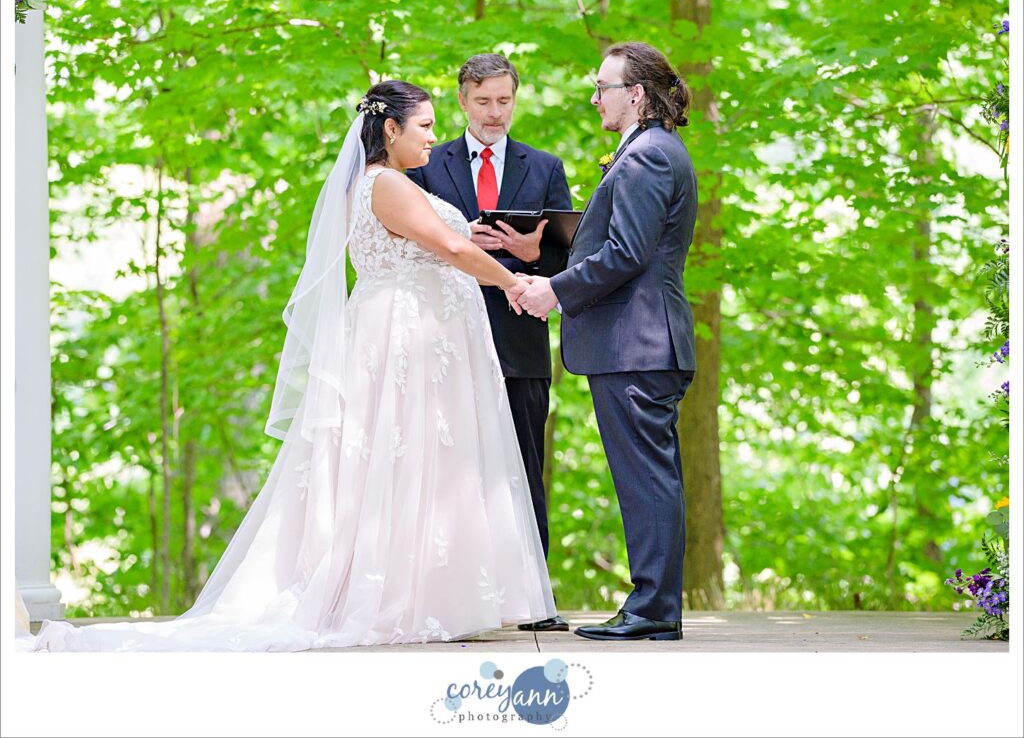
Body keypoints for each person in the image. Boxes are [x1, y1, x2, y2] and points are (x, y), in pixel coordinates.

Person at [31, 80, 556, 652]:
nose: (433, 137)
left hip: (413, 332)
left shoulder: (377, 185)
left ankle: (421, 588)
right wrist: (514, 283)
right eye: (424, 126)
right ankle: (394, 593)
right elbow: (450, 251)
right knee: (407, 451)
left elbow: (439, 242)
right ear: (390, 130)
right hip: (408, 335)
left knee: (410, 457)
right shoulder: (388, 185)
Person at [516, 42, 697, 642]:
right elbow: (617, 243)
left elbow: (627, 253)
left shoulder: (646, 156)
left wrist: (554, 292)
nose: (595, 98)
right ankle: (653, 605)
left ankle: (652, 609)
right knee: (647, 475)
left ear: (636, 95)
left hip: (637, 343)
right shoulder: (651, 152)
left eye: (604, 87)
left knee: (646, 477)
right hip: (639, 342)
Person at [406, 53, 571, 633]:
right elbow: (406, 238)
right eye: (484, 102)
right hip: (445, 334)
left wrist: (533, 255)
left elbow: (568, 256)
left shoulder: (545, 167)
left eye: (504, 100)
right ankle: (449, 598)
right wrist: (458, 238)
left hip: (519, 338)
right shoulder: (426, 163)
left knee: (525, 466)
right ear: (461, 101)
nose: (495, 113)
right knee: (449, 468)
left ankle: (533, 602)